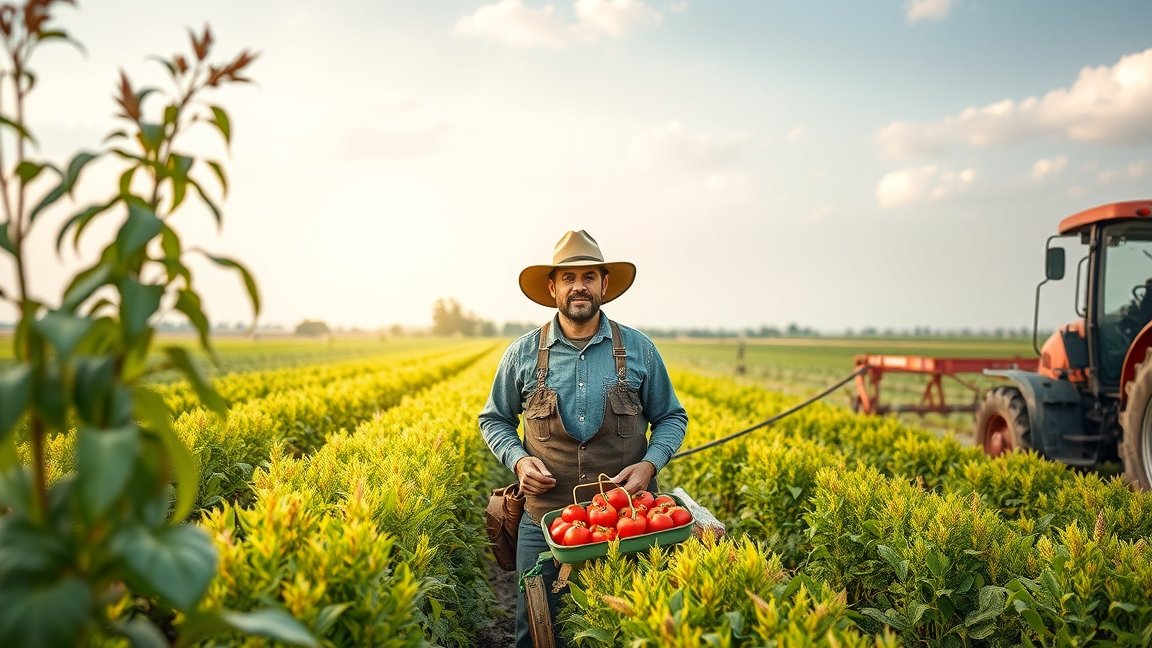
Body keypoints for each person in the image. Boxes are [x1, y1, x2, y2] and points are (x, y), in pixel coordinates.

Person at [478, 230, 689, 647]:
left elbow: (671, 417)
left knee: (630, 629)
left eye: (589, 277)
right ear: (553, 286)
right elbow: (494, 420)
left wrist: (650, 464)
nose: (580, 286)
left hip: (628, 520)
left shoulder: (640, 350)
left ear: (604, 286)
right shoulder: (522, 354)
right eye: (569, 277)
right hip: (546, 519)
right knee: (535, 630)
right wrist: (519, 461)